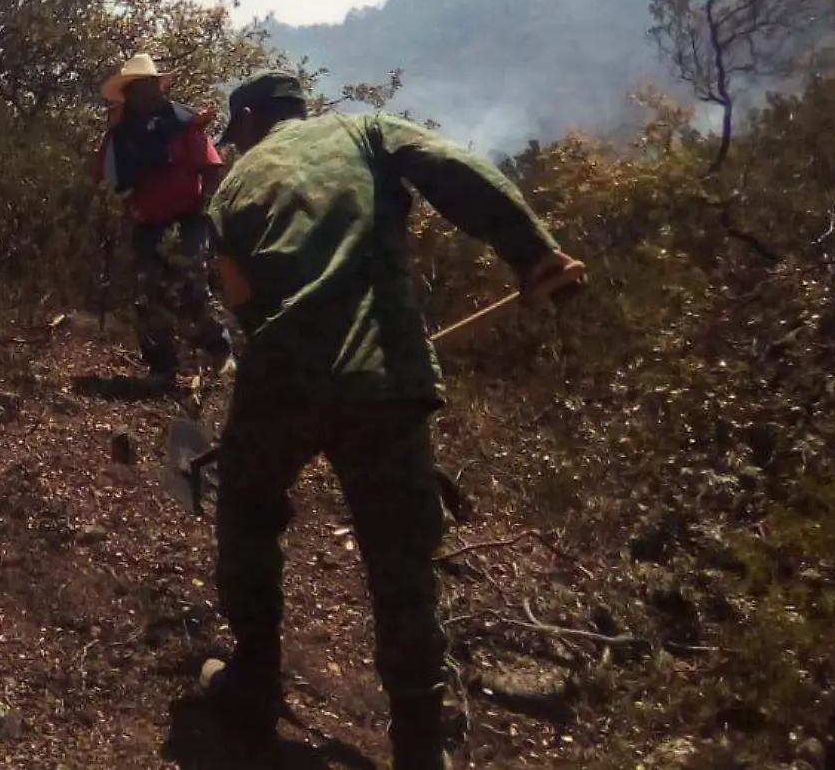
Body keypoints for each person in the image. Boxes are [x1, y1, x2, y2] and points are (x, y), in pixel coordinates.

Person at [201, 69, 583, 769]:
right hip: (385, 378)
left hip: (282, 376)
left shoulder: (232, 185)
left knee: (247, 514)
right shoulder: (366, 129)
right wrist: (531, 250)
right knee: (400, 563)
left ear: (251, 120)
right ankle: (416, 743)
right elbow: (452, 167)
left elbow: (242, 301)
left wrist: (292, 351)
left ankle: (253, 683)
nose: (237, 141)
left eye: (238, 130)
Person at [90, 53, 234, 389]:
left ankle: (220, 349)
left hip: (188, 220)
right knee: (148, 295)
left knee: (191, 291)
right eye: (134, 88)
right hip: (146, 224)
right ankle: (161, 368)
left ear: (156, 88)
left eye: (145, 86)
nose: (140, 93)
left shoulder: (183, 125)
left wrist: (203, 207)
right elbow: (102, 176)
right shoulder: (121, 136)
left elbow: (211, 167)